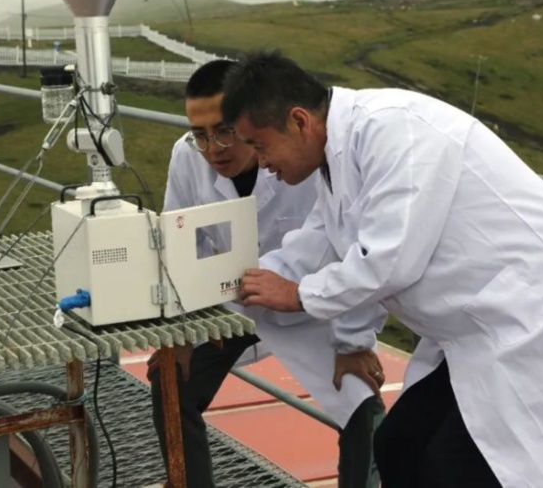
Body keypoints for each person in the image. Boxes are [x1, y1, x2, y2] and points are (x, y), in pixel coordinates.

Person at [223, 51, 543, 488]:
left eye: (259, 145)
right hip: (477, 337)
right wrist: (227, 284)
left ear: (300, 121)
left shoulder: (395, 130)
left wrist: (298, 295)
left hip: (534, 325)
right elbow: (318, 242)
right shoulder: (335, 158)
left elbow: (389, 259)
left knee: (452, 470)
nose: (261, 162)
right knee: (397, 445)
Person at [147, 59, 388, 488]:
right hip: (231, 302)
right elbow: (177, 243)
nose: (213, 148)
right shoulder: (187, 158)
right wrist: (178, 332)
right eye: (199, 134)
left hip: (309, 301)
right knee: (169, 378)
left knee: (359, 397)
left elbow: (355, 251)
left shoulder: (304, 159)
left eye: (224, 130)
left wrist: (355, 341)